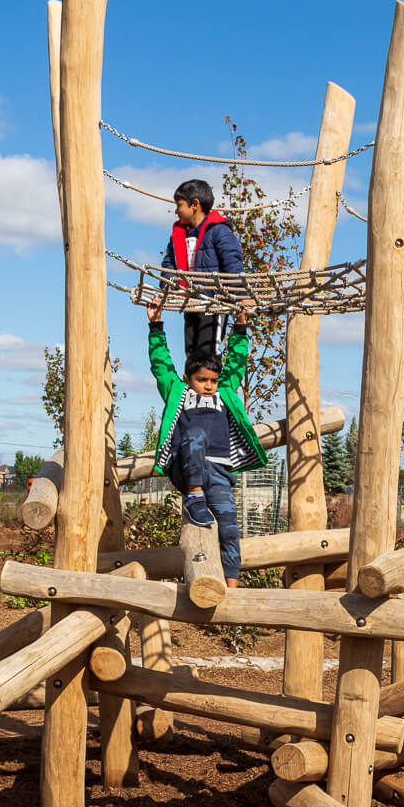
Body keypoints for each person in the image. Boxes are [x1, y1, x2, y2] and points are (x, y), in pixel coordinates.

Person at [147, 305, 267, 588]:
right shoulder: (178, 393)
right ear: (189, 379)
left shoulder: (224, 394)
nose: (209, 385)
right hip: (188, 470)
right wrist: (156, 326)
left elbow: (237, 364)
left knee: (229, 526)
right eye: (202, 380)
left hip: (220, 475)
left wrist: (240, 325)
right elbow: (161, 365)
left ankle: (232, 585)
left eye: (213, 380)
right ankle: (195, 497)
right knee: (196, 433)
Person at [147, 178, 252, 360]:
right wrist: (166, 291)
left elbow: (233, 265)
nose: (176, 211)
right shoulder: (179, 235)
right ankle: (193, 386)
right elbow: (169, 266)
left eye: (179, 205)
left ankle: (210, 386)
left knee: (209, 350)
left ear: (194, 205)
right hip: (191, 302)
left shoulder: (219, 230)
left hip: (214, 302)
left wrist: (242, 296)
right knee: (191, 352)